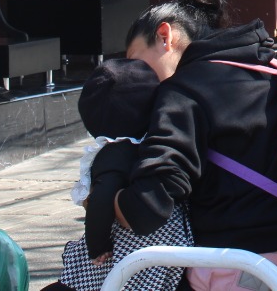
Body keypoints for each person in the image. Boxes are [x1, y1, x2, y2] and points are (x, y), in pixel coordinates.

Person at [114, 0, 277, 291]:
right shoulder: (272, 71)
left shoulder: (183, 93)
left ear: (165, 37)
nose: (135, 77)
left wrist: (104, 199)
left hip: (245, 269)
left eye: (135, 61)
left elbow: (147, 209)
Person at [56, 60, 191, 291]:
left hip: (134, 247)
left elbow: (101, 197)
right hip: (169, 240)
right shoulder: (157, 145)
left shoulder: (114, 153)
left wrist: (97, 245)